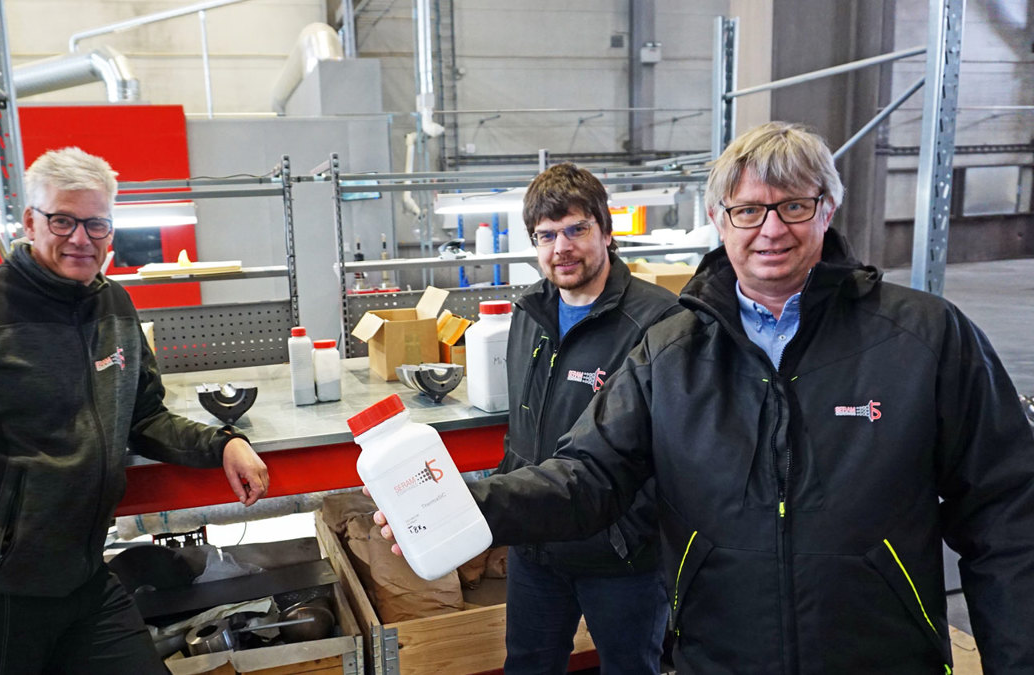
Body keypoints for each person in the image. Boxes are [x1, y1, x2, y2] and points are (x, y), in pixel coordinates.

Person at [376, 122, 1034, 674]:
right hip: (720, 655)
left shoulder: (922, 336)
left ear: (827, 209)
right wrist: (469, 504)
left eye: (793, 205)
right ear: (720, 220)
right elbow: (590, 475)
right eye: (748, 210)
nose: (769, 229)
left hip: (881, 657)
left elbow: (1007, 510)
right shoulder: (673, 350)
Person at [0, 147, 270, 674]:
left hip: (83, 584)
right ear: (31, 222)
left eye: (95, 224)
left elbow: (142, 416)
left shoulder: (113, 306)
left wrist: (224, 442)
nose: (80, 239)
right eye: (63, 220)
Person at [497, 163, 677, 674]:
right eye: (546, 235)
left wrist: (631, 531)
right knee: (528, 665)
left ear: (606, 229)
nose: (562, 249)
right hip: (536, 547)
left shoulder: (659, 322)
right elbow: (523, 427)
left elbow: (673, 450)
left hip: (619, 556)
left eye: (577, 229)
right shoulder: (528, 312)